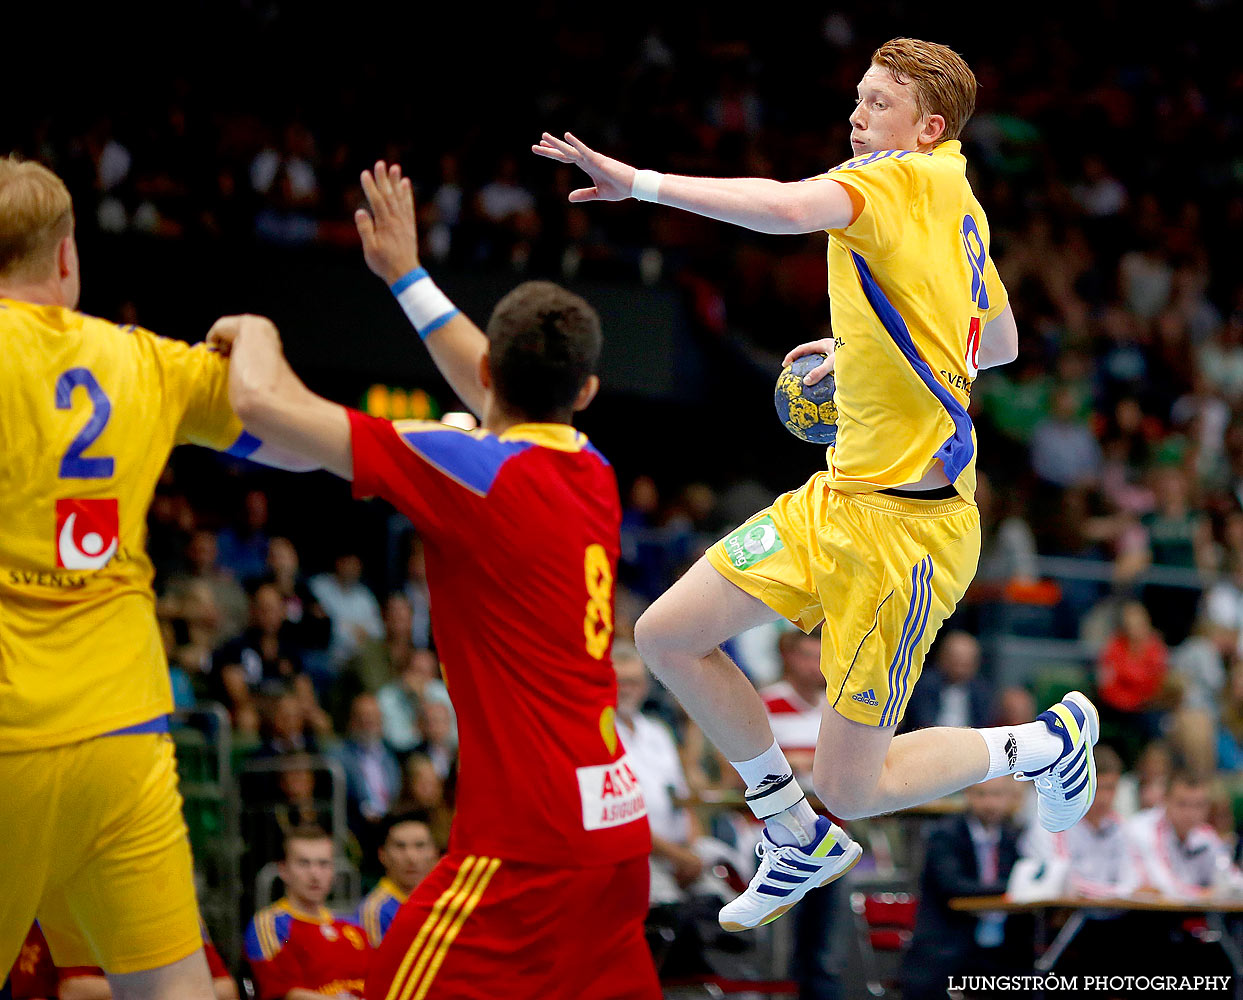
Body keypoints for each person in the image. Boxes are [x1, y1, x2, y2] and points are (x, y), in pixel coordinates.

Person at [534, 36, 1099, 930]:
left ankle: (1043, 743)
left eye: (878, 103)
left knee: (857, 786)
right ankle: (792, 830)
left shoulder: (886, 181)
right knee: (668, 634)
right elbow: (997, 344)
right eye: (858, 98)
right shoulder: (956, 197)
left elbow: (781, 206)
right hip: (833, 499)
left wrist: (636, 182)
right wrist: (868, 351)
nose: (856, 115)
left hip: (905, 536)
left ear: (927, 125)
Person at [209, 159, 658, 999]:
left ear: (489, 376)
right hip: (616, 833)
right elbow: (495, 379)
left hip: (527, 843)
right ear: (586, 390)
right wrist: (407, 278)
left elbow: (265, 406)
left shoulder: (471, 469)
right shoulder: (592, 469)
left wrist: (252, 326)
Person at [0, 155, 315, 999]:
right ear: (66, 257)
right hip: (124, 739)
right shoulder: (145, 361)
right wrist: (256, 335)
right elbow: (291, 435)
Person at [899, 778, 1030, 1000]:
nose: (990, 803)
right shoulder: (944, 833)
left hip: (1002, 945)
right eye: (981, 794)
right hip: (948, 940)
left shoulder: (1014, 835)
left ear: (1010, 798)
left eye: (997, 795)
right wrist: (1011, 888)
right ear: (968, 795)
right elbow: (953, 885)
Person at [244, 827, 370, 1000]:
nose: (315, 874)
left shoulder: (353, 926)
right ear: (283, 870)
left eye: (323, 864)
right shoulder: (270, 924)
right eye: (304, 863)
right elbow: (284, 993)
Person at [356, 811, 440, 948]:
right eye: (400, 846)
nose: (411, 857)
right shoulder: (375, 912)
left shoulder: (444, 903)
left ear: (435, 853)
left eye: (420, 846)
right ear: (382, 855)